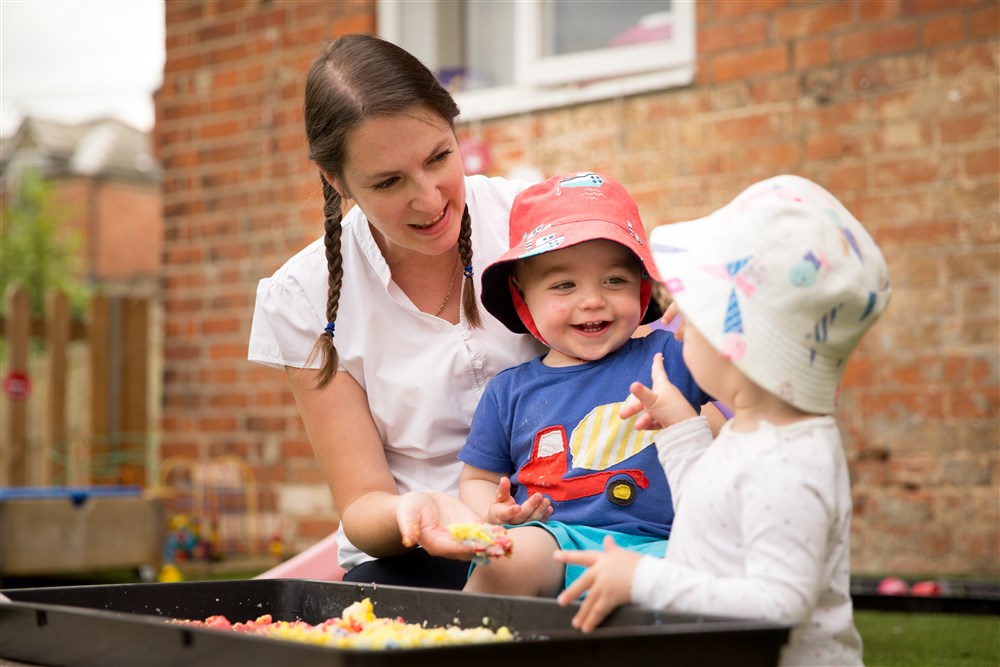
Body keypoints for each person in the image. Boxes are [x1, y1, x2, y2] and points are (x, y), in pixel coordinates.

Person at [555, 175, 891, 667]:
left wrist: (641, 578)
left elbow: (779, 603)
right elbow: (709, 521)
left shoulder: (787, 464)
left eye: (694, 321)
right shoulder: (758, 431)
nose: (679, 330)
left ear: (739, 347)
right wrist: (680, 428)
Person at [248, 34, 546, 589]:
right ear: (337, 182)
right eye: (388, 182)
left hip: (566, 530)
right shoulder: (304, 296)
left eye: (439, 158)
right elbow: (363, 502)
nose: (430, 200)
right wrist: (419, 511)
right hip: (412, 562)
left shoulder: (533, 223)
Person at [457, 172, 717, 597]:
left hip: (663, 546)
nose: (593, 300)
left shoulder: (667, 357)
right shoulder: (510, 391)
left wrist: (707, 324)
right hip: (554, 541)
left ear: (642, 285)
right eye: (564, 285)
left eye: (615, 280)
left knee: (723, 564)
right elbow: (477, 478)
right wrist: (494, 511)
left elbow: (744, 388)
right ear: (522, 295)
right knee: (506, 558)